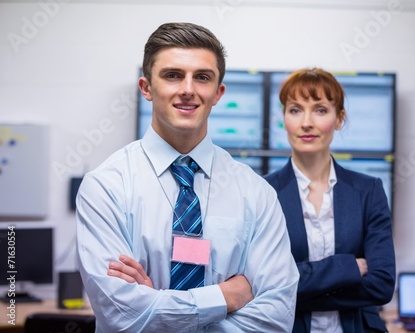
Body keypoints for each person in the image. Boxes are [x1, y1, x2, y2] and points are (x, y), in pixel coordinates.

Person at [75, 22, 299, 332]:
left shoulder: (256, 192)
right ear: (146, 88)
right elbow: (120, 317)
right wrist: (225, 297)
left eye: (202, 77)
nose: (188, 89)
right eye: (172, 75)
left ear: (218, 93)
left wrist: (156, 305)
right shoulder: (106, 187)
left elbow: (275, 319)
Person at [264, 68, 396, 333]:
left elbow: (381, 284)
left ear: (339, 118)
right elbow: (265, 284)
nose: (307, 123)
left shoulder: (368, 191)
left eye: (321, 110)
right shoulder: (264, 192)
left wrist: (297, 290)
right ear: (284, 118)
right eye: (295, 110)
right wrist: (348, 267)